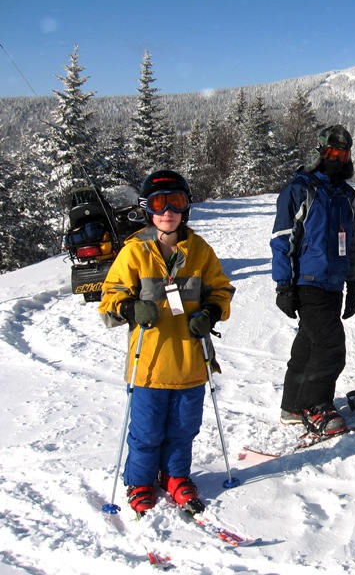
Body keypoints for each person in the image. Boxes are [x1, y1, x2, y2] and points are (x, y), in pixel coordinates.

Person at [99, 170, 235, 515]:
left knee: (184, 428)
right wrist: (130, 306)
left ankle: (175, 476)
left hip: (191, 360)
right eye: (159, 204)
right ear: (148, 210)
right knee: (146, 431)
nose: (168, 211)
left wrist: (211, 311)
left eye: (176, 202)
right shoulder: (135, 252)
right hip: (150, 363)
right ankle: (140, 481)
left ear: (186, 207)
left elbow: (221, 289)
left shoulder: (199, 249)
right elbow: (109, 299)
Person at [270, 124, 355, 436]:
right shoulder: (301, 190)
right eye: (330, 152)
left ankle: (293, 406)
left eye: (342, 153)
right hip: (307, 281)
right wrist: (284, 285)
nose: (336, 158)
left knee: (309, 345)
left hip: (334, 285)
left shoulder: (348, 197)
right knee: (330, 346)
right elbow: (282, 240)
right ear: (320, 152)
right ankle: (316, 406)